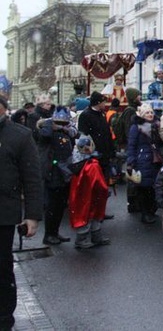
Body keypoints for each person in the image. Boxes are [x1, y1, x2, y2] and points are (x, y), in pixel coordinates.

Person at [0, 95, 43, 331]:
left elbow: (32, 179)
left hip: (4, 215)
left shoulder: (19, 135)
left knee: (2, 267)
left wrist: (32, 215)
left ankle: (4, 317)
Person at [37, 107, 78, 245]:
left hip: (65, 172)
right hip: (53, 172)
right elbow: (45, 134)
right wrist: (50, 123)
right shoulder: (47, 131)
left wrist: (64, 128)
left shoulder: (65, 132)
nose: (62, 125)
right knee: (53, 206)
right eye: (59, 122)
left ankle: (55, 232)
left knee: (60, 205)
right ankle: (49, 234)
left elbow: (75, 135)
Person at [68, 135, 110, 249]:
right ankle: (84, 239)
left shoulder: (78, 163)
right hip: (93, 195)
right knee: (93, 215)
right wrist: (105, 191)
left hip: (82, 194)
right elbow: (99, 182)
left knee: (84, 215)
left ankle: (90, 237)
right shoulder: (92, 164)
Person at [126, 103, 161, 224]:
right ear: (142, 115)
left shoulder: (157, 125)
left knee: (153, 186)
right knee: (144, 188)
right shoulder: (136, 127)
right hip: (142, 160)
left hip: (155, 159)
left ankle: (151, 211)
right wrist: (130, 162)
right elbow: (131, 145)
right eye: (147, 113)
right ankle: (145, 213)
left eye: (151, 112)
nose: (150, 115)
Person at [77, 91, 116, 184]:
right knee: (94, 182)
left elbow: (107, 133)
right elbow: (83, 135)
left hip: (105, 154)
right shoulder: (85, 115)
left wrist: (111, 151)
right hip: (93, 155)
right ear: (98, 103)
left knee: (104, 182)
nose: (105, 104)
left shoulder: (102, 114)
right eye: (103, 102)